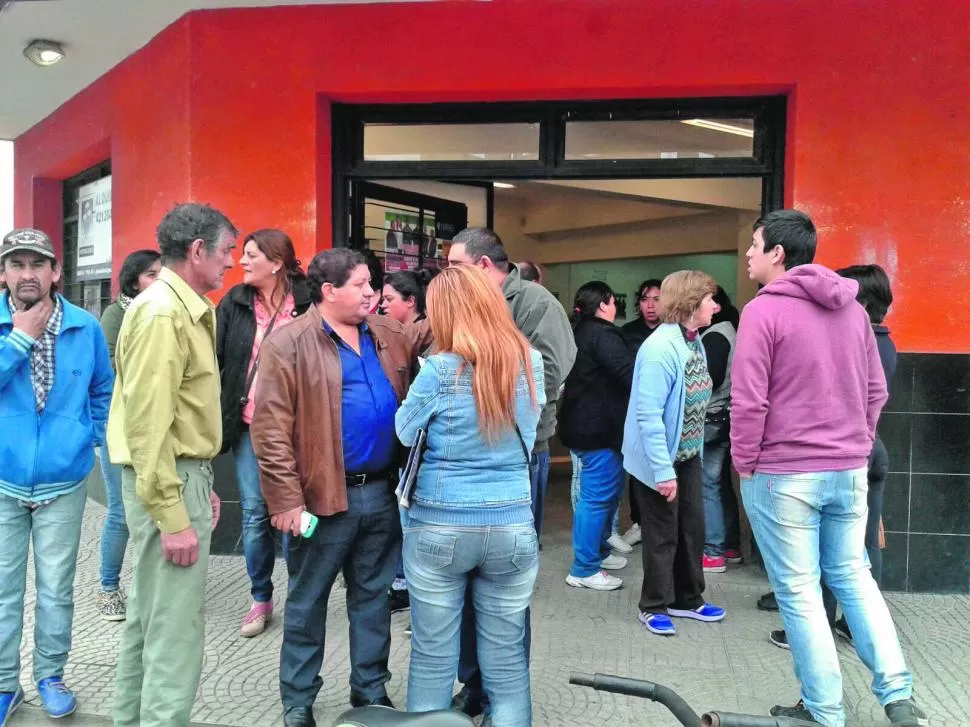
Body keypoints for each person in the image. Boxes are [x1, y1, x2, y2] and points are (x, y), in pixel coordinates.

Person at [731, 209, 925, 727]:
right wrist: (856, 445)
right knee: (854, 578)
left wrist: (745, 464)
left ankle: (823, 711)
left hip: (783, 471)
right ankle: (898, 696)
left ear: (777, 253)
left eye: (754, 245)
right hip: (847, 469)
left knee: (799, 592)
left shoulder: (761, 313)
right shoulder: (854, 311)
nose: (748, 254)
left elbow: (749, 401)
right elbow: (876, 391)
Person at [251, 248, 431, 727]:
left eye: (373, 284)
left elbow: (438, 331)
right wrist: (285, 499)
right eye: (361, 285)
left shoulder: (388, 333)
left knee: (373, 600)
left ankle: (369, 690)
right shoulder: (288, 343)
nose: (373, 293)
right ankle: (298, 699)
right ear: (328, 291)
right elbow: (269, 431)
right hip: (319, 497)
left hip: (381, 492)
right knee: (308, 602)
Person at [396, 265, 544, 726]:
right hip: (513, 523)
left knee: (433, 656)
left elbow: (403, 432)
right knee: (505, 661)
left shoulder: (439, 370)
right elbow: (531, 431)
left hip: (440, 524)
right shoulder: (530, 361)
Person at [109, 203, 237, 727]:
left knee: (150, 619)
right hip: (166, 479)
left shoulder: (173, 307)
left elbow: (171, 413)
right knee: (174, 631)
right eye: (228, 250)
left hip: (180, 475)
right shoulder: (164, 311)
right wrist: (172, 509)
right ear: (198, 250)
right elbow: (147, 421)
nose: (232, 262)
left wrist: (197, 480)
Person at [446, 228, 576, 720]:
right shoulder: (463, 304)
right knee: (461, 578)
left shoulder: (535, 303)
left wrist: (476, 382)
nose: (449, 276)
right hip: (465, 457)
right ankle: (472, 684)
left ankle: (505, 690)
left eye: (456, 265)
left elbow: (551, 369)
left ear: (482, 265)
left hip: (521, 454)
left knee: (505, 582)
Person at [0, 228, 114, 723]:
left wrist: (87, 442)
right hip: (2, 480)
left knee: (55, 587)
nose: (28, 274)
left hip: (62, 483)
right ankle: (5, 683)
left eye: (37, 264)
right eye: (16, 264)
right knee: (3, 589)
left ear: (55, 272)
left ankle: (50, 674)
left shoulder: (85, 326)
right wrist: (19, 338)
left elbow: (103, 391)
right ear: (3, 273)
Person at [767, 264, 898, 650]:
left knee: (834, 551)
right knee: (862, 545)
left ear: (862, 300)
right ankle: (853, 626)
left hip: (852, 451)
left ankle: (820, 625)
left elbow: (867, 396)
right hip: (867, 449)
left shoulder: (861, 338)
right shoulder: (882, 339)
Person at [216, 229, 312, 638]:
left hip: (301, 427)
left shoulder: (308, 302)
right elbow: (216, 361)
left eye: (251, 255)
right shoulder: (234, 304)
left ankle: (301, 599)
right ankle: (260, 597)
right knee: (256, 514)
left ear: (276, 262)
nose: (241, 261)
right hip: (250, 426)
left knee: (295, 514)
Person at [621, 270, 725, 637]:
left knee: (692, 528)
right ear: (691, 303)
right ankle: (653, 605)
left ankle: (688, 599)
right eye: (709, 299)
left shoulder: (692, 340)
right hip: (658, 459)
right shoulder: (659, 348)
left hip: (687, 454)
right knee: (662, 532)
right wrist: (663, 472)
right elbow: (648, 415)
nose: (716, 305)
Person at [96, 249, 161, 622]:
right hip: (118, 425)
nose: (158, 280)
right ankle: (108, 588)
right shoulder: (116, 314)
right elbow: (109, 370)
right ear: (133, 279)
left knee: (154, 507)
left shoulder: (163, 312)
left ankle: (148, 586)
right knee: (120, 510)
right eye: (151, 274)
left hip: (156, 424)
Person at [559, 282, 635, 591]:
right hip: (598, 431)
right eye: (613, 302)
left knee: (602, 496)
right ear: (604, 305)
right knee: (597, 498)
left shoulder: (578, 331)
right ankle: (584, 567)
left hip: (582, 426)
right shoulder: (604, 335)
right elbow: (628, 375)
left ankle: (599, 554)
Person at [380, 268, 434, 616]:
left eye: (388, 299)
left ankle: (410, 588)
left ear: (411, 302)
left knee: (409, 517)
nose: (381, 305)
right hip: (402, 445)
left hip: (416, 444)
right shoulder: (392, 338)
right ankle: (401, 581)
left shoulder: (426, 343)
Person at [698, 286, 741, 574]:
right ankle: (729, 545)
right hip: (723, 420)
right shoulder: (730, 331)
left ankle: (712, 552)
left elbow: (709, 378)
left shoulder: (715, 336)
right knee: (720, 484)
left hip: (710, 420)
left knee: (707, 486)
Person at [619, 278, 662, 547]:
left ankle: (662, 524)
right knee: (636, 471)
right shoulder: (627, 332)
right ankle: (639, 523)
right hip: (635, 412)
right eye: (645, 299)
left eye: (656, 299)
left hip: (664, 413)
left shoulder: (673, 331)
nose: (650, 305)